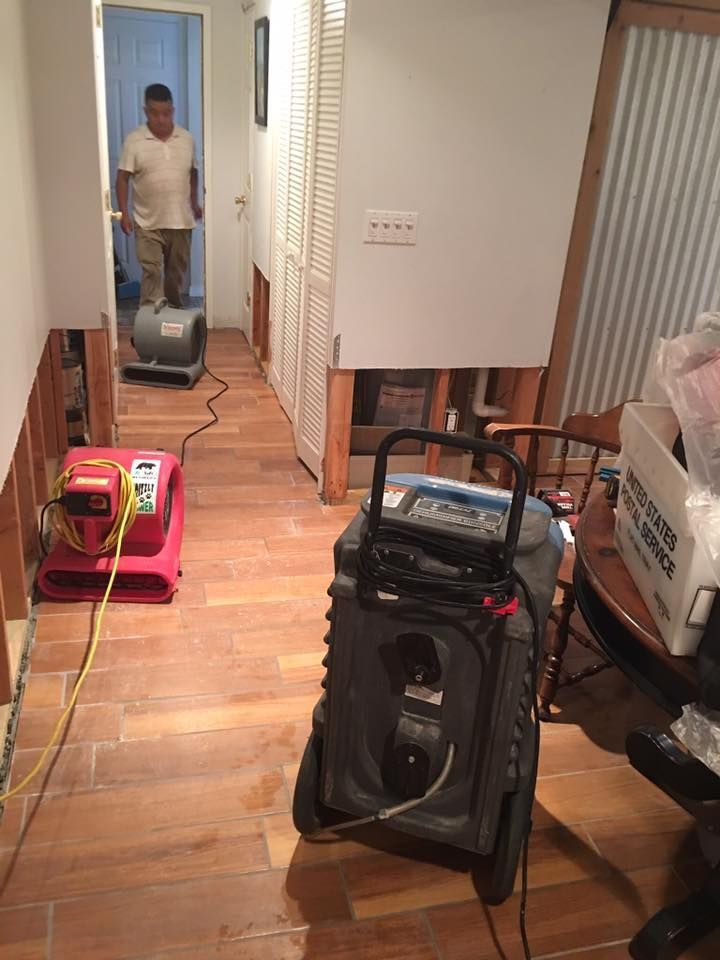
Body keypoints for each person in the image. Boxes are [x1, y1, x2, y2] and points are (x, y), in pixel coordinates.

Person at [116, 83, 202, 308]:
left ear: (172, 110)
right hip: (147, 222)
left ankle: (173, 322)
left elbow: (193, 172)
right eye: (154, 113)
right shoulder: (134, 141)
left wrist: (194, 203)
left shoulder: (186, 139)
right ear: (146, 111)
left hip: (181, 221)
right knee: (151, 272)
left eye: (165, 113)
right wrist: (124, 213)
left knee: (175, 278)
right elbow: (122, 178)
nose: (161, 119)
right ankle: (149, 327)